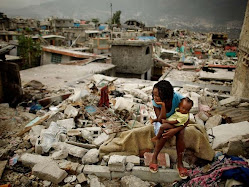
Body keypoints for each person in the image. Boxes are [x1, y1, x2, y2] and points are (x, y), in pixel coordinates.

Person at [149, 80, 190, 179]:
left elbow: (187, 120)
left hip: (177, 123)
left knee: (180, 133)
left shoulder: (180, 99)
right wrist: (162, 105)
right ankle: (154, 157)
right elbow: (160, 119)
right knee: (164, 131)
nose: (155, 98)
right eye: (154, 95)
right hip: (164, 122)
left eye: (158, 95)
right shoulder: (156, 102)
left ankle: (179, 163)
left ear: (166, 95)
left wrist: (175, 130)